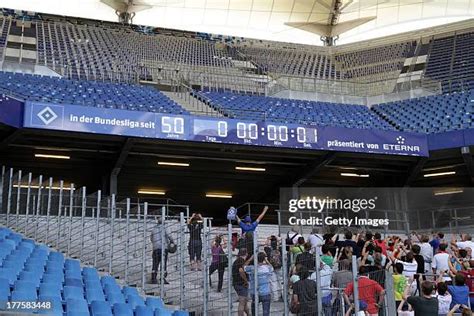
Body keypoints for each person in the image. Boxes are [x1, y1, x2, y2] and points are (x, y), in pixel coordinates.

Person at [244, 252, 274, 316]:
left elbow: (244, 266)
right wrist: (266, 260)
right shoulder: (267, 268)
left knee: (254, 310)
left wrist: (251, 258)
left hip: (255, 292)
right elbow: (272, 267)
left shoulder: (252, 268)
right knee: (266, 312)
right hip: (266, 292)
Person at [150, 217, 174, 284]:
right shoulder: (165, 227)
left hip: (155, 248)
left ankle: (153, 278)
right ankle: (162, 278)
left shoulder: (154, 229)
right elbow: (169, 235)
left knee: (155, 263)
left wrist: (155, 244)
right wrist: (172, 242)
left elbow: (151, 238)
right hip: (163, 248)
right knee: (163, 264)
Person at [232, 248, 250, 316]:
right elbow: (241, 270)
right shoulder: (240, 261)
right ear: (246, 254)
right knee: (242, 302)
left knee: (244, 302)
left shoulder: (238, 260)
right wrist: (246, 281)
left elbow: (244, 265)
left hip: (237, 283)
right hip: (241, 284)